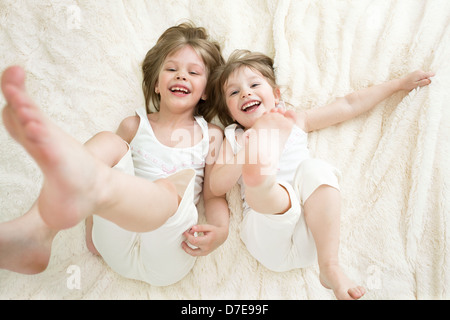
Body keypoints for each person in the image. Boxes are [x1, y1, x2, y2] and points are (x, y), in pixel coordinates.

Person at [0, 23, 229, 286]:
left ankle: (89, 193)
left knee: (169, 189)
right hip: (117, 238)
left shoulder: (210, 134)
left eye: (193, 72)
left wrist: (220, 233)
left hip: (171, 249)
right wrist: (92, 226)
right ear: (156, 84)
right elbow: (100, 169)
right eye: (171, 69)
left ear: (207, 91)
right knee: (108, 142)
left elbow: (213, 195)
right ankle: (35, 233)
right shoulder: (134, 126)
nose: (181, 76)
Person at [208, 49, 434, 299]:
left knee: (316, 169)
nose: (246, 93)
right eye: (234, 92)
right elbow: (216, 186)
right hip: (266, 233)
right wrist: (246, 152)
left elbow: (349, 104)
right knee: (276, 197)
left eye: (253, 85)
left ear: (276, 95)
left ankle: (330, 267)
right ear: (229, 111)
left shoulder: (295, 121)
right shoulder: (234, 137)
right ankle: (262, 177)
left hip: (312, 236)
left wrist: (398, 85)